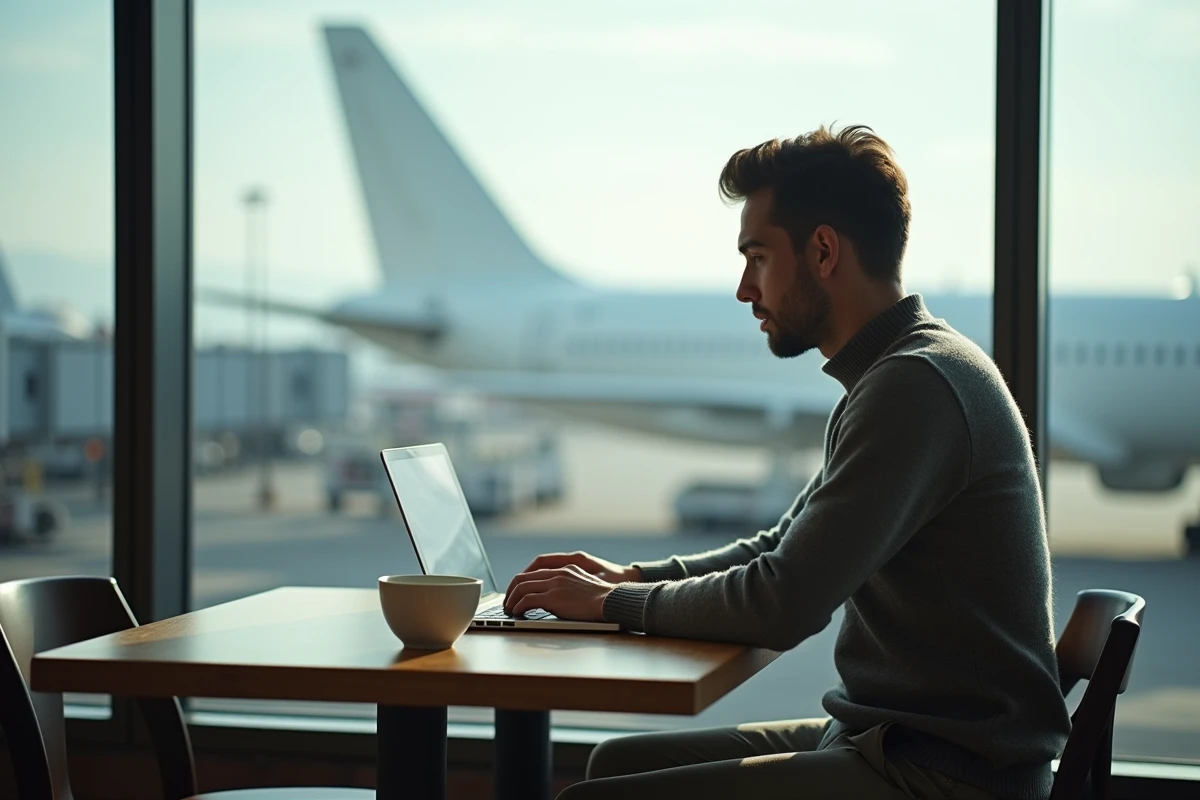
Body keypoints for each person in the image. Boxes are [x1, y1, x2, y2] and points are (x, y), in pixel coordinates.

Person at [504, 125, 1071, 800]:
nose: (746, 289)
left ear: (824, 251)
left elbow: (784, 601)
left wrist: (616, 602)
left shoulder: (914, 386)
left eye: (758, 258)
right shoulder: (897, 373)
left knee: (590, 799)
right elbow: (783, 548)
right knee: (612, 767)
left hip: (941, 773)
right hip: (889, 739)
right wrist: (630, 576)